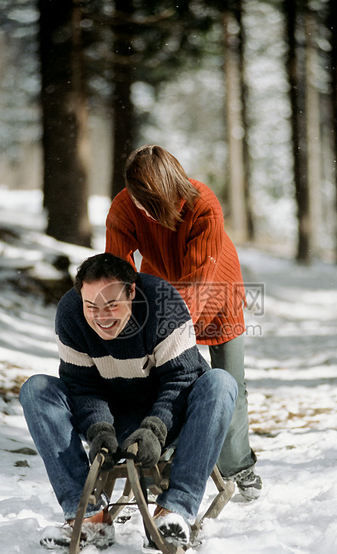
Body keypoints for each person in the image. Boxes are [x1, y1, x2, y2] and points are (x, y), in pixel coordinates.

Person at [20, 252, 237, 551]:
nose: (101, 317)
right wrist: (99, 429)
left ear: (132, 291)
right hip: (113, 418)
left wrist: (155, 430)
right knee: (36, 389)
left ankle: (174, 512)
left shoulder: (163, 304)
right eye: (91, 306)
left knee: (221, 383)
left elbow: (181, 380)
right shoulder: (71, 313)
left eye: (111, 305)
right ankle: (89, 517)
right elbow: (81, 386)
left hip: (171, 415)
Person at [104, 144, 261, 500]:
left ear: (164, 190)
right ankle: (169, 447)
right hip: (160, 286)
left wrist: (169, 335)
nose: (139, 207)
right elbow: (115, 269)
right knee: (161, 375)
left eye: (146, 202)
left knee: (229, 380)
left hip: (216, 288)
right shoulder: (126, 205)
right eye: (135, 199)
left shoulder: (204, 206)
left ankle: (238, 466)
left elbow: (198, 285)